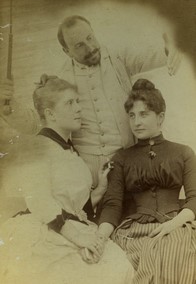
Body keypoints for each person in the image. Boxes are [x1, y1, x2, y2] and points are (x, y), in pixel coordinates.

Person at [0, 15, 181, 191]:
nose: (91, 47)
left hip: (128, 160)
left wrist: (171, 47)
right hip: (87, 171)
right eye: (80, 45)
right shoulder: (61, 80)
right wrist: (8, 107)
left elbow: (151, 56)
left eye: (90, 37)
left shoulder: (117, 57)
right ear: (67, 51)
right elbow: (37, 122)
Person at [0, 75, 134, 284]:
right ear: (50, 114)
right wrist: (79, 238)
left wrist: (98, 190)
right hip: (44, 229)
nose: (78, 108)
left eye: (78, 101)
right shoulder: (38, 147)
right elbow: (40, 201)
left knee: (119, 266)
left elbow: (72, 204)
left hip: (69, 225)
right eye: (70, 103)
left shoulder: (69, 150)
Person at [95, 79, 196, 284]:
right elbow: (113, 205)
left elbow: (195, 198)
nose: (136, 122)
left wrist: (171, 225)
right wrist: (99, 238)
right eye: (132, 116)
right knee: (137, 258)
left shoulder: (183, 152)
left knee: (175, 250)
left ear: (160, 117)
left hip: (175, 226)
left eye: (143, 114)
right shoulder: (121, 158)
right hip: (134, 231)